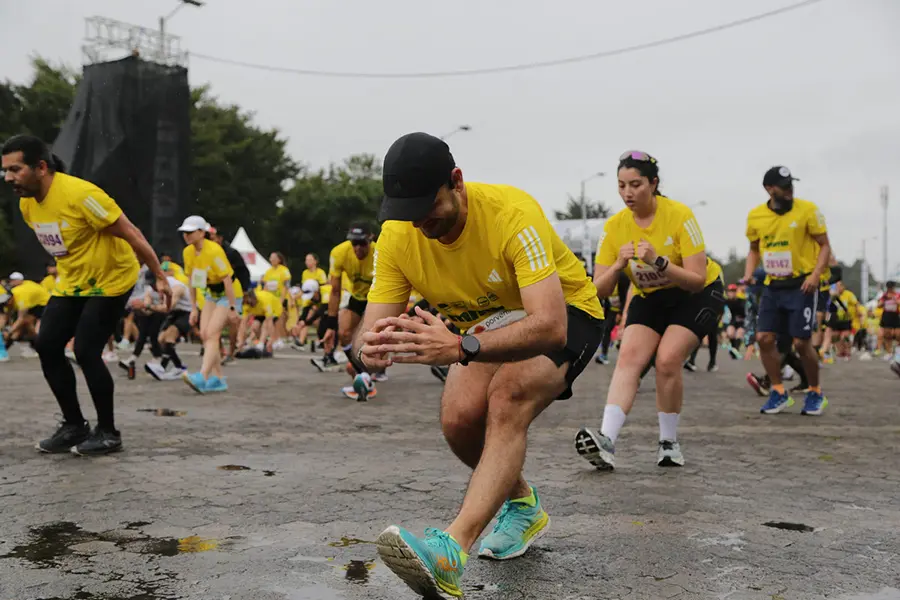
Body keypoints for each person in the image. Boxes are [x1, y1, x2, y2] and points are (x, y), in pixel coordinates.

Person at [357, 132, 604, 598]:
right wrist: (369, 348)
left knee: (507, 398)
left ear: (456, 181)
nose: (419, 224)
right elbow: (371, 328)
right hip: (485, 327)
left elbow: (550, 326)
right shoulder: (398, 234)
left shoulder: (512, 215)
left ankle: (452, 550)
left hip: (567, 314)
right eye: (405, 212)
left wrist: (458, 348)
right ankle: (524, 507)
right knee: (458, 422)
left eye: (426, 208)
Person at [2, 134, 169, 455]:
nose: (8, 178)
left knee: (86, 350)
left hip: (112, 279)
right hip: (73, 281)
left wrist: (158, 276)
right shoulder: (27, 205)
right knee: (47, 345)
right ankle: (74, 426)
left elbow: (132, 232)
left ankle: (108, 432)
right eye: (5, 171)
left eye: (15, 170)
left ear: (41, 167)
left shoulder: (81, 194)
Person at [575, 151, 724, 472]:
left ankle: (669, 443)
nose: (628, 193)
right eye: (621, 186)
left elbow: (697, 280)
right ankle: (606, 440)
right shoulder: (615, 227)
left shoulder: (680, 215)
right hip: (652, 297)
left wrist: (659, 261)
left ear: (653, 184)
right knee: (628, 357)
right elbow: (597, 290)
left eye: (636, 184)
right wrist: (617, 265)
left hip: (696, 295)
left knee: (667, 359)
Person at [741, 166, 830, 416]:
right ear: (770, 190)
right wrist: (749, 273)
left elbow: (824, 246)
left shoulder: (808, 211)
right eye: (784, 186)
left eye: (791, 184)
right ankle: (778, 392)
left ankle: (815, 392)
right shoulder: (756, 216)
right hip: (773, 285)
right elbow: (754, 248)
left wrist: (815, 275)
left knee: (802, 342)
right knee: (764, 338)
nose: (790, 190)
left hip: (802, 284)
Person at [314, 224, 377, 395]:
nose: (357, 248)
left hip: (377, 297)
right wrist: (330, 325)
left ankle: (374, 371)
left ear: (370, 240)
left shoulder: (380, 252)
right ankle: (362, 375)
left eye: (361, 243)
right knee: (343, 334)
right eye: (353, 243)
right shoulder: (339, 252)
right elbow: (335, 291)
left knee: (372, 337)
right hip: (357, 297)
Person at [179, 215, 239, 393]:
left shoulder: (214, 251)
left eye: (190, 232)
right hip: (210, 294)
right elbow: (191, 280)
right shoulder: (187, 252)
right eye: (184, 232)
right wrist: (193, 308)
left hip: (227, 294)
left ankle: (202, 376)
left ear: (202, 232)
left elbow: (227, 280)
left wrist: (233, 308)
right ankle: (218, 379)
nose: (187, 236)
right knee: (206, 335)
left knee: (212, 333)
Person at [145, 261, 192, 381]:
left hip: (187, 312)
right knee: (161, 339)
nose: (154, 288)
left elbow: (167, 307)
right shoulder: (153, 288)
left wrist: (149, 306)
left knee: (169, 337)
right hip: (174, 313)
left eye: (154, 284)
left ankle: (178, 367)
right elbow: (148, 309)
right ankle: (164, 368)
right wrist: (143, 306)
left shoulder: (176, 287)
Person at [209, 227, 249, 364]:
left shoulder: (231, 253)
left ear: (220, 239)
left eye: (213, 238)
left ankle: (231, 352)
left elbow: (244, 271)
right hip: (214, 291)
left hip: (234, 289)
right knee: (212, 324)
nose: (210, 241)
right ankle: (220, 350)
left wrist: (244, 290)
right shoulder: (205, 252)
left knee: (232, 321)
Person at [3, 271, 49, 357]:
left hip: (43, 304)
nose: (11, 282)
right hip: (34, 302)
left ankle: (5, 348)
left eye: (13, 280)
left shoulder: (21, 295)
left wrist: (9, 332)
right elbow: (7, 314)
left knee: (27, 323)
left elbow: (21, 318)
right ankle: (36, 346)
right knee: (27, 325)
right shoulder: (12, 293)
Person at [238, 287, 283, 355]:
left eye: (248, 301)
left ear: (253, 298)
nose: (246, 303)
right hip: (260, 311)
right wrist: (240, 341)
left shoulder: (264, 300)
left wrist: (271, 339)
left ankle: (261, 344)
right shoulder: (246, 304)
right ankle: (264, 342)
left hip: (274, 308)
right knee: (254, 327)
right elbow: (243, 324)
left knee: (265, 325)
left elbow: (269, 322)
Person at [827, 280, 858, 360]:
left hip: (846, 319)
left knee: (845, 336)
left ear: (843, 287)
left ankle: (847, 351)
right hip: (836, 319)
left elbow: (856, 304)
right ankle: (840, 351)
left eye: (840, 285)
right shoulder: (833, 295)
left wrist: (856, 314)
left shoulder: (849, 294)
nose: (838, 287)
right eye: (836, 286)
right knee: (835, 336)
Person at [877, 281, 899, 358]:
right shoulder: (884, 295)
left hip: (895, 315)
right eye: (888, 288)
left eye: (891, 288)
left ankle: (897, 351)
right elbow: (878, 305)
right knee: (887, 335)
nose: (890, 289)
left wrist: (894, 299)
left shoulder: (897, 295)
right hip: (887, 315)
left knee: (897, 334)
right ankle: (889, 352)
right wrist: (884, 301)